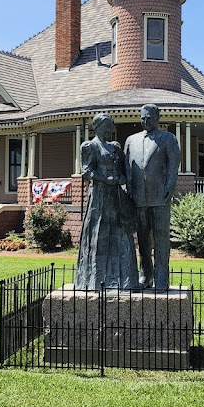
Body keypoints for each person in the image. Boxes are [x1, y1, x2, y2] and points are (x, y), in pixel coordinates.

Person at [75, 114, 139, 290]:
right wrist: (105, 178)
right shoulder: (89, 146)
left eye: (111, 126)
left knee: (121, 235)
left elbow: (124, 171)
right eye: (107, 126)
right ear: (98, 127)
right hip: (99, 197)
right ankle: (96, 280)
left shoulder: (116, 148)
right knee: (100, 233)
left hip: (116, 197)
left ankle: (124, 280)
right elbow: (86, 172)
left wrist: (120, 178)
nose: (110, 130)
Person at [124, 104, 181, 289]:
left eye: (149, 118)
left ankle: (161, 278)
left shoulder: (168, 139)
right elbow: (126, 168)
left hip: (160, 196)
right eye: (143, 118)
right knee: (143, 240)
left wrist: (170, 186)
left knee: (162, 238)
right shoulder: (131, 140)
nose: (146, 121)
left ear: (157, 118)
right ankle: (145, 276)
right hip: (138, 197)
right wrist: (128, 189)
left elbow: (173, 166)